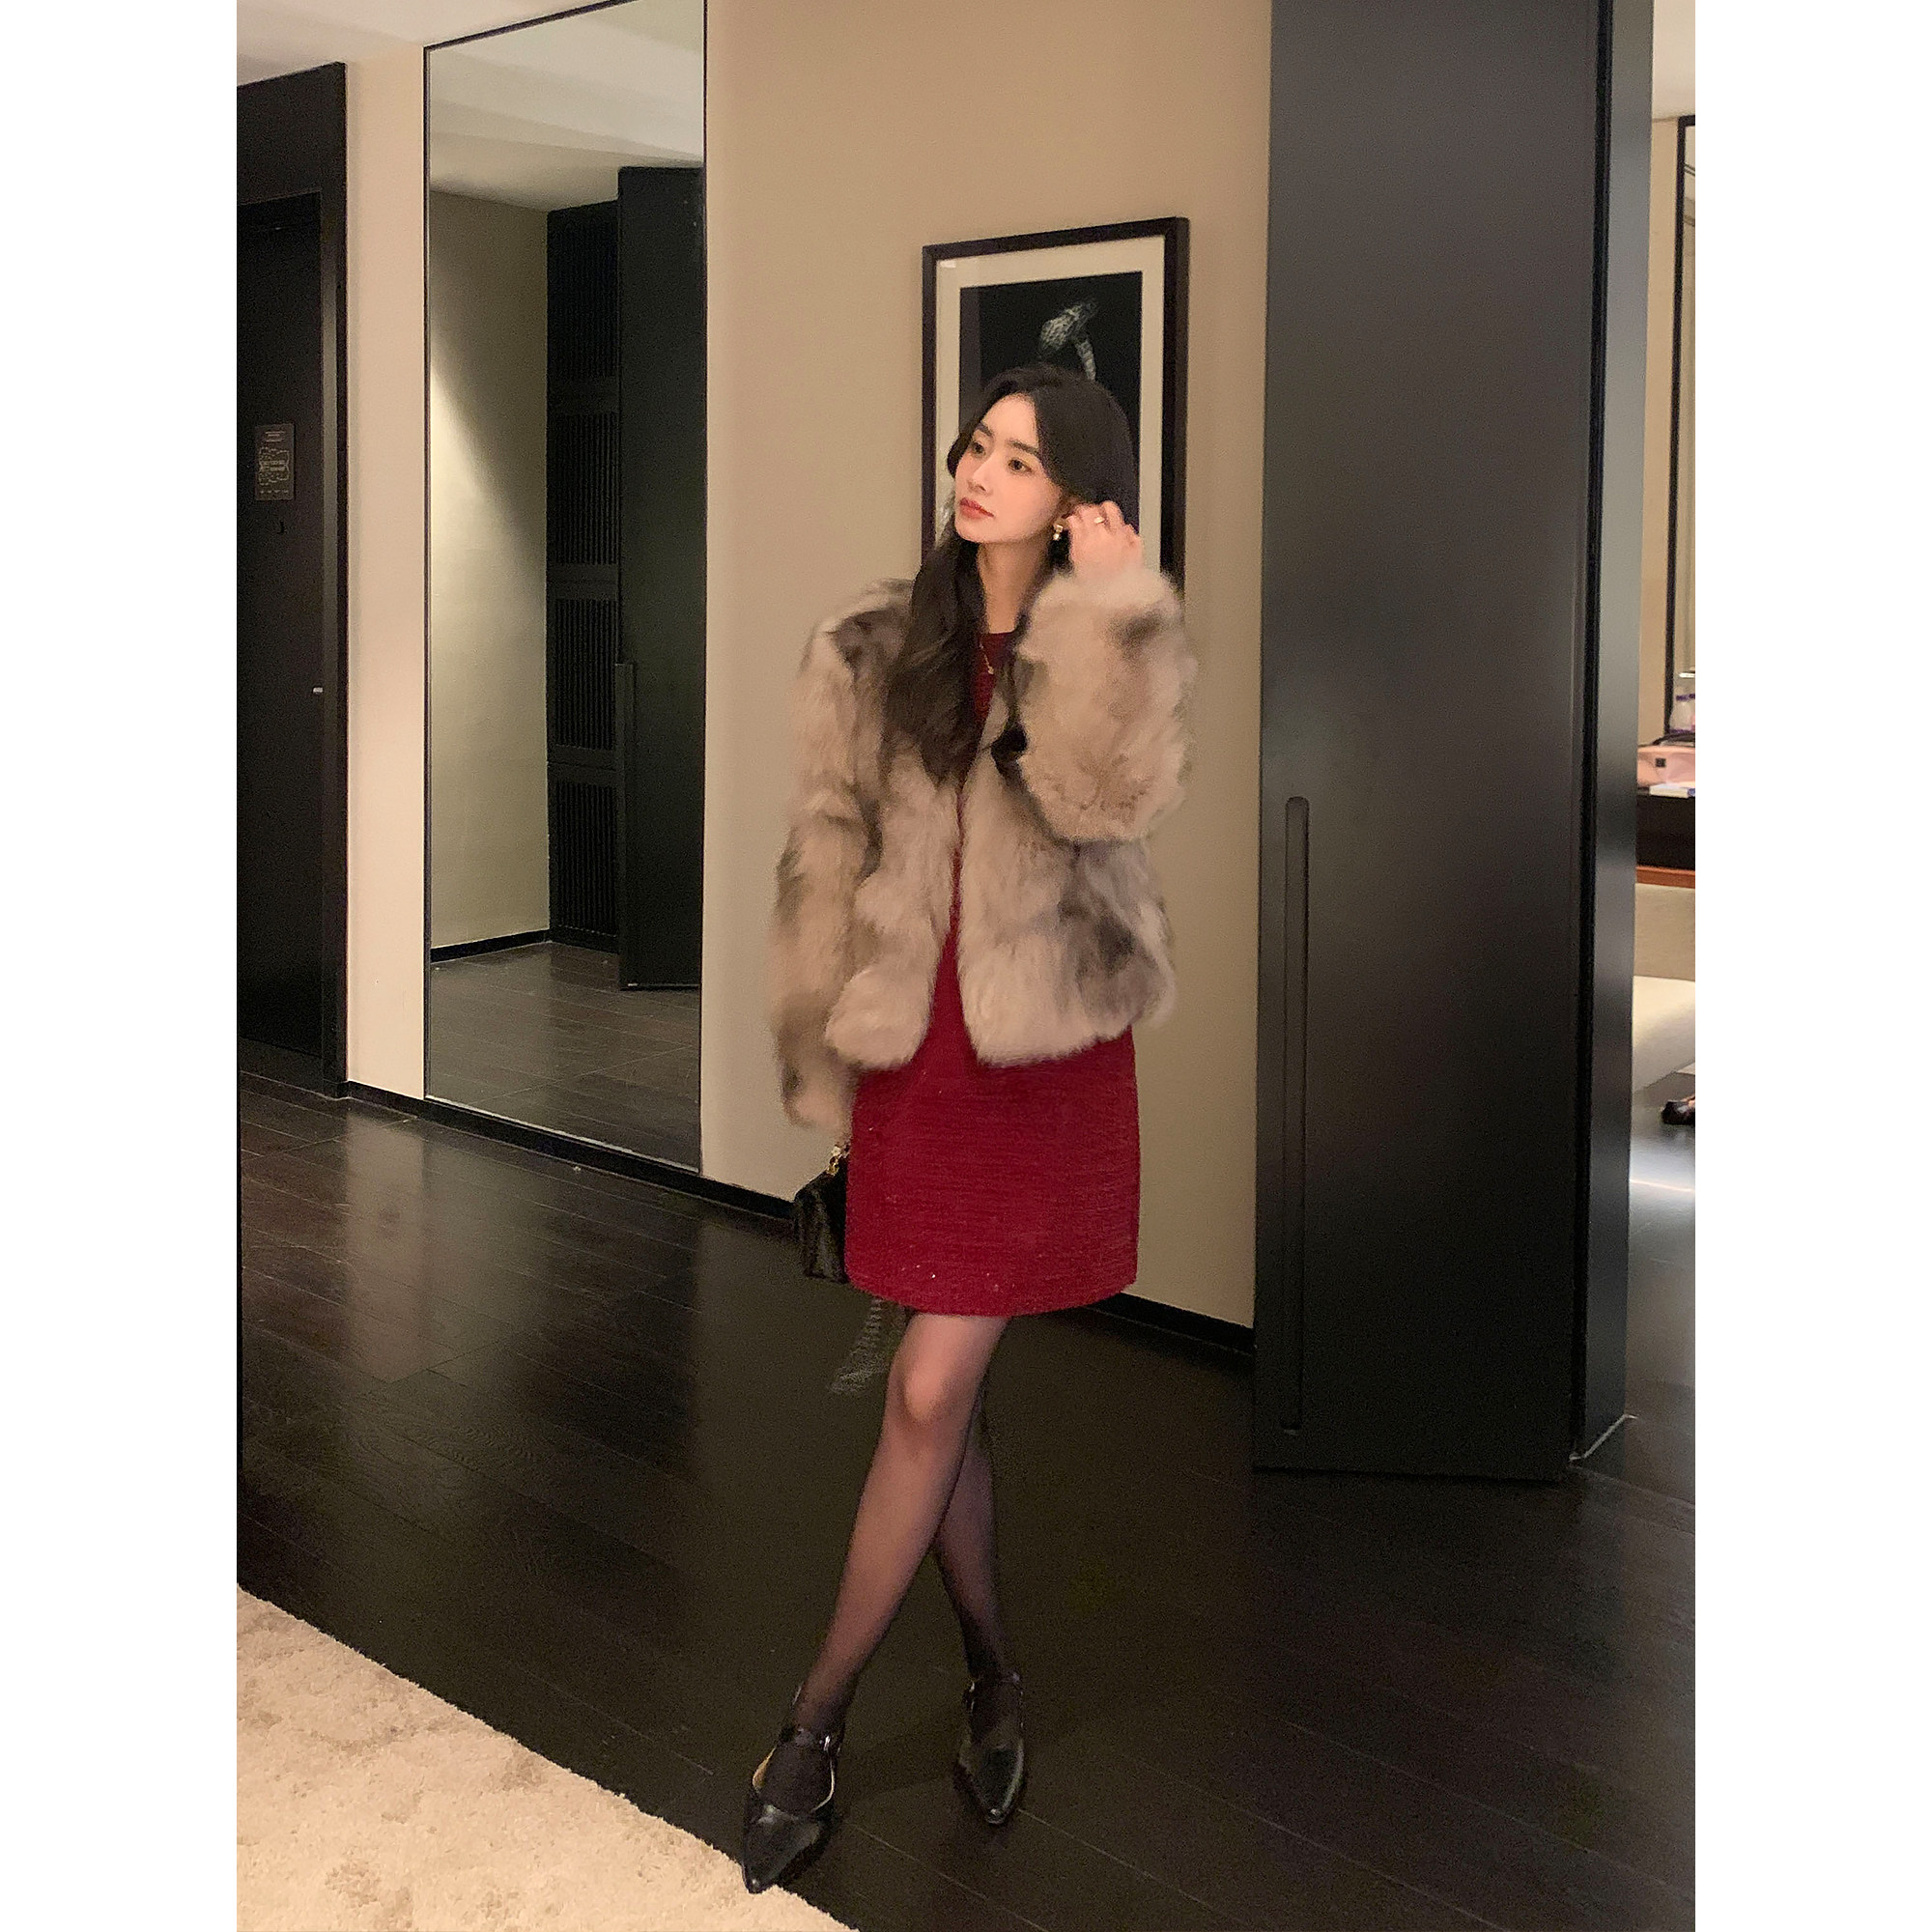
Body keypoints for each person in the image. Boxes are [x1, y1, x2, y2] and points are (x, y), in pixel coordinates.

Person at [745, 362, 1199, 1893]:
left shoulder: (1098, 634)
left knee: (931, 1384)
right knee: (949, 1399)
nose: (980, 471)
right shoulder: (871, 648)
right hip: (918, 1072)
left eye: (1019, 456)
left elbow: (1108, 802)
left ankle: (812, 1725)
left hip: (1043, 1073)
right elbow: (825, 855)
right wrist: (825, 1057)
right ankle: (994, 1674)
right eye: (977, 444)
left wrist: (1113, 613)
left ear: (1073, 495)